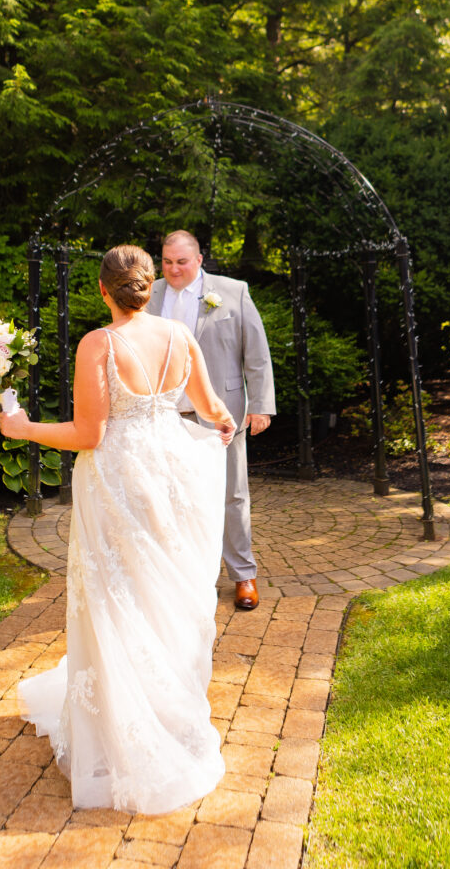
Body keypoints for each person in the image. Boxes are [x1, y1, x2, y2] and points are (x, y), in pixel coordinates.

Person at [0, 244, 236, 814]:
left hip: (117, 484)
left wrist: (24, 427)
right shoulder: (180, 336)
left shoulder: (99, 344)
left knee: (115, 597)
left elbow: (88, 434)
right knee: (160, 595)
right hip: (170, 475)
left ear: (103, 290)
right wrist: (225, 420)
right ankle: (164, 712)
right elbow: (208, 406)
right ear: (149, 288)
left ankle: (125, 732)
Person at [147, 230, 276, 612]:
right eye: (167, 262)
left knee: (231, 495)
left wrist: (261, 405)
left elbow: (257, 352)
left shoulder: (232, 291)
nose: (173, 269)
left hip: (221, 413)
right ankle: (182, 576)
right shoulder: (149, 294)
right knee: (170, 493)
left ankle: (243, 575)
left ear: (199, 260)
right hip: (165, 413)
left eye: (181, 262)